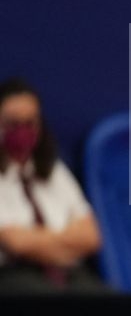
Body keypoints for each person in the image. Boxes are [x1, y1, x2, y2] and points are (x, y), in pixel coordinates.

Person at [0, 77, 104, 292]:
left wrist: (39, 240)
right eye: (13, 124)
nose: (22, 132)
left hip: (69, 274)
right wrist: (65, 239)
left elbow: (91, 236)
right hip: (14, 276)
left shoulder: (54, 171)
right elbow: (15, 243)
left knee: (108, 301)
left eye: (29, 123)